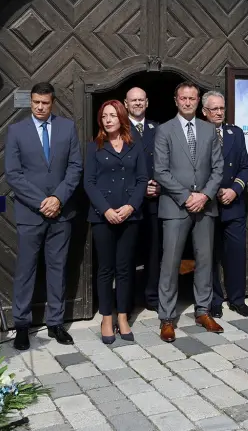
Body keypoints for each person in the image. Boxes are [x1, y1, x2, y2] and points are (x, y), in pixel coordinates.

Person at [5, 82, 83, 350]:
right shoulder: (16, 131)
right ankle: (22, 326)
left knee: (58, 268)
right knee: (26, 270)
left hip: (61, 213)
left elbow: (75, 167)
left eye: (45, 103)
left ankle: (55, 323)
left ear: (53, 103)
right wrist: (42, 202)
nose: (40, 107)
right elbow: (13, 174)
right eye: (36, 102)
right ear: (31, 102)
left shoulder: (67, 128)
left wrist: (58, 198)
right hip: (30, 213)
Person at [152, 82, 224, 342]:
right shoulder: (164, 131)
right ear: (176, 100)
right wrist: (186, 197)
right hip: (175, 206)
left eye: (192, 98)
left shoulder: (209, 130)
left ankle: (203, 311)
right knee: (170, 263)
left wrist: (204, 195)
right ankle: (167, 317)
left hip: (205, 206)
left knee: (204, 261)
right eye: (183, 98)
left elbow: (218, 168)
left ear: (198, 102)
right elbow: (160, 170)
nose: (188, 102)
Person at [83, 100, 148, 344]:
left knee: (125, 268)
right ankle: (106, 318)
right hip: (103, 217)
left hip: (130, 216)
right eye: (104, 116)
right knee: (105, 269)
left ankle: (123, 316)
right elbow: (88, 182)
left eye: (112, 115)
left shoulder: (135, 145)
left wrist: (131, 206)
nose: (108, 120)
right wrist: (106, 210)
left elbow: (142, 179)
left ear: (122, 117)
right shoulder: (94, 147)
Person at [202, 91, 248, 318]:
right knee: (210, 255)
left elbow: (245, 166)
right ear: (204, 112)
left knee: (236, 254)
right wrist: (213, 191)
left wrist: (235, 189)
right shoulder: (198, 134)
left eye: (222, 108)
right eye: (214, 109)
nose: (219, 112)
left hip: (234, 203)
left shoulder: (236, 133)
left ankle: (237, 299)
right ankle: (214, 300)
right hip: (208, 205)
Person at [124, 87, 161, 312]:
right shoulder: (118, 127)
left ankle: (152, 297)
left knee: (154, 252)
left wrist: (158, 184)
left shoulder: (158, 128)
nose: (137, 103)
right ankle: (126, 302)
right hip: (128, 200)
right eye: (133, 100)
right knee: (128, 253)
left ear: (147, 102)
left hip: (155, 200)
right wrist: (139, 188)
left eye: (141, 100)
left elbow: (167, 160)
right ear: (125, 104)